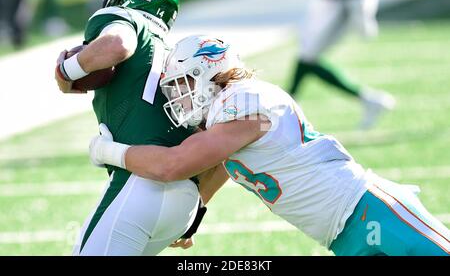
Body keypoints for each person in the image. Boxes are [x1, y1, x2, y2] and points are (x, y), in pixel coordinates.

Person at [89, 34, 449, 255]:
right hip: (342, 236)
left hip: (370, 210)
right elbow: (222, 161)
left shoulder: (245, 101)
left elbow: (173, 165)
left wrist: (109, 152)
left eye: (182, 85)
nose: (179, 98)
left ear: (207, 73)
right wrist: (198, 210)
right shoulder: (226, 112)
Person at [54, 0, 225, 256]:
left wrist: (66, 71)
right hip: (185, 201)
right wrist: (198, 210)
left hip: (137, 187)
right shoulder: (177, 57)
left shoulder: (125, 20)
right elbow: (221, 147)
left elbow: (116, 45)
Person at [288, 0, 395, 129]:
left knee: (307, 56)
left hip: (349, 5)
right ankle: (370, 100)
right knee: (307, 56)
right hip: (350, 1)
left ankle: (287, 105)